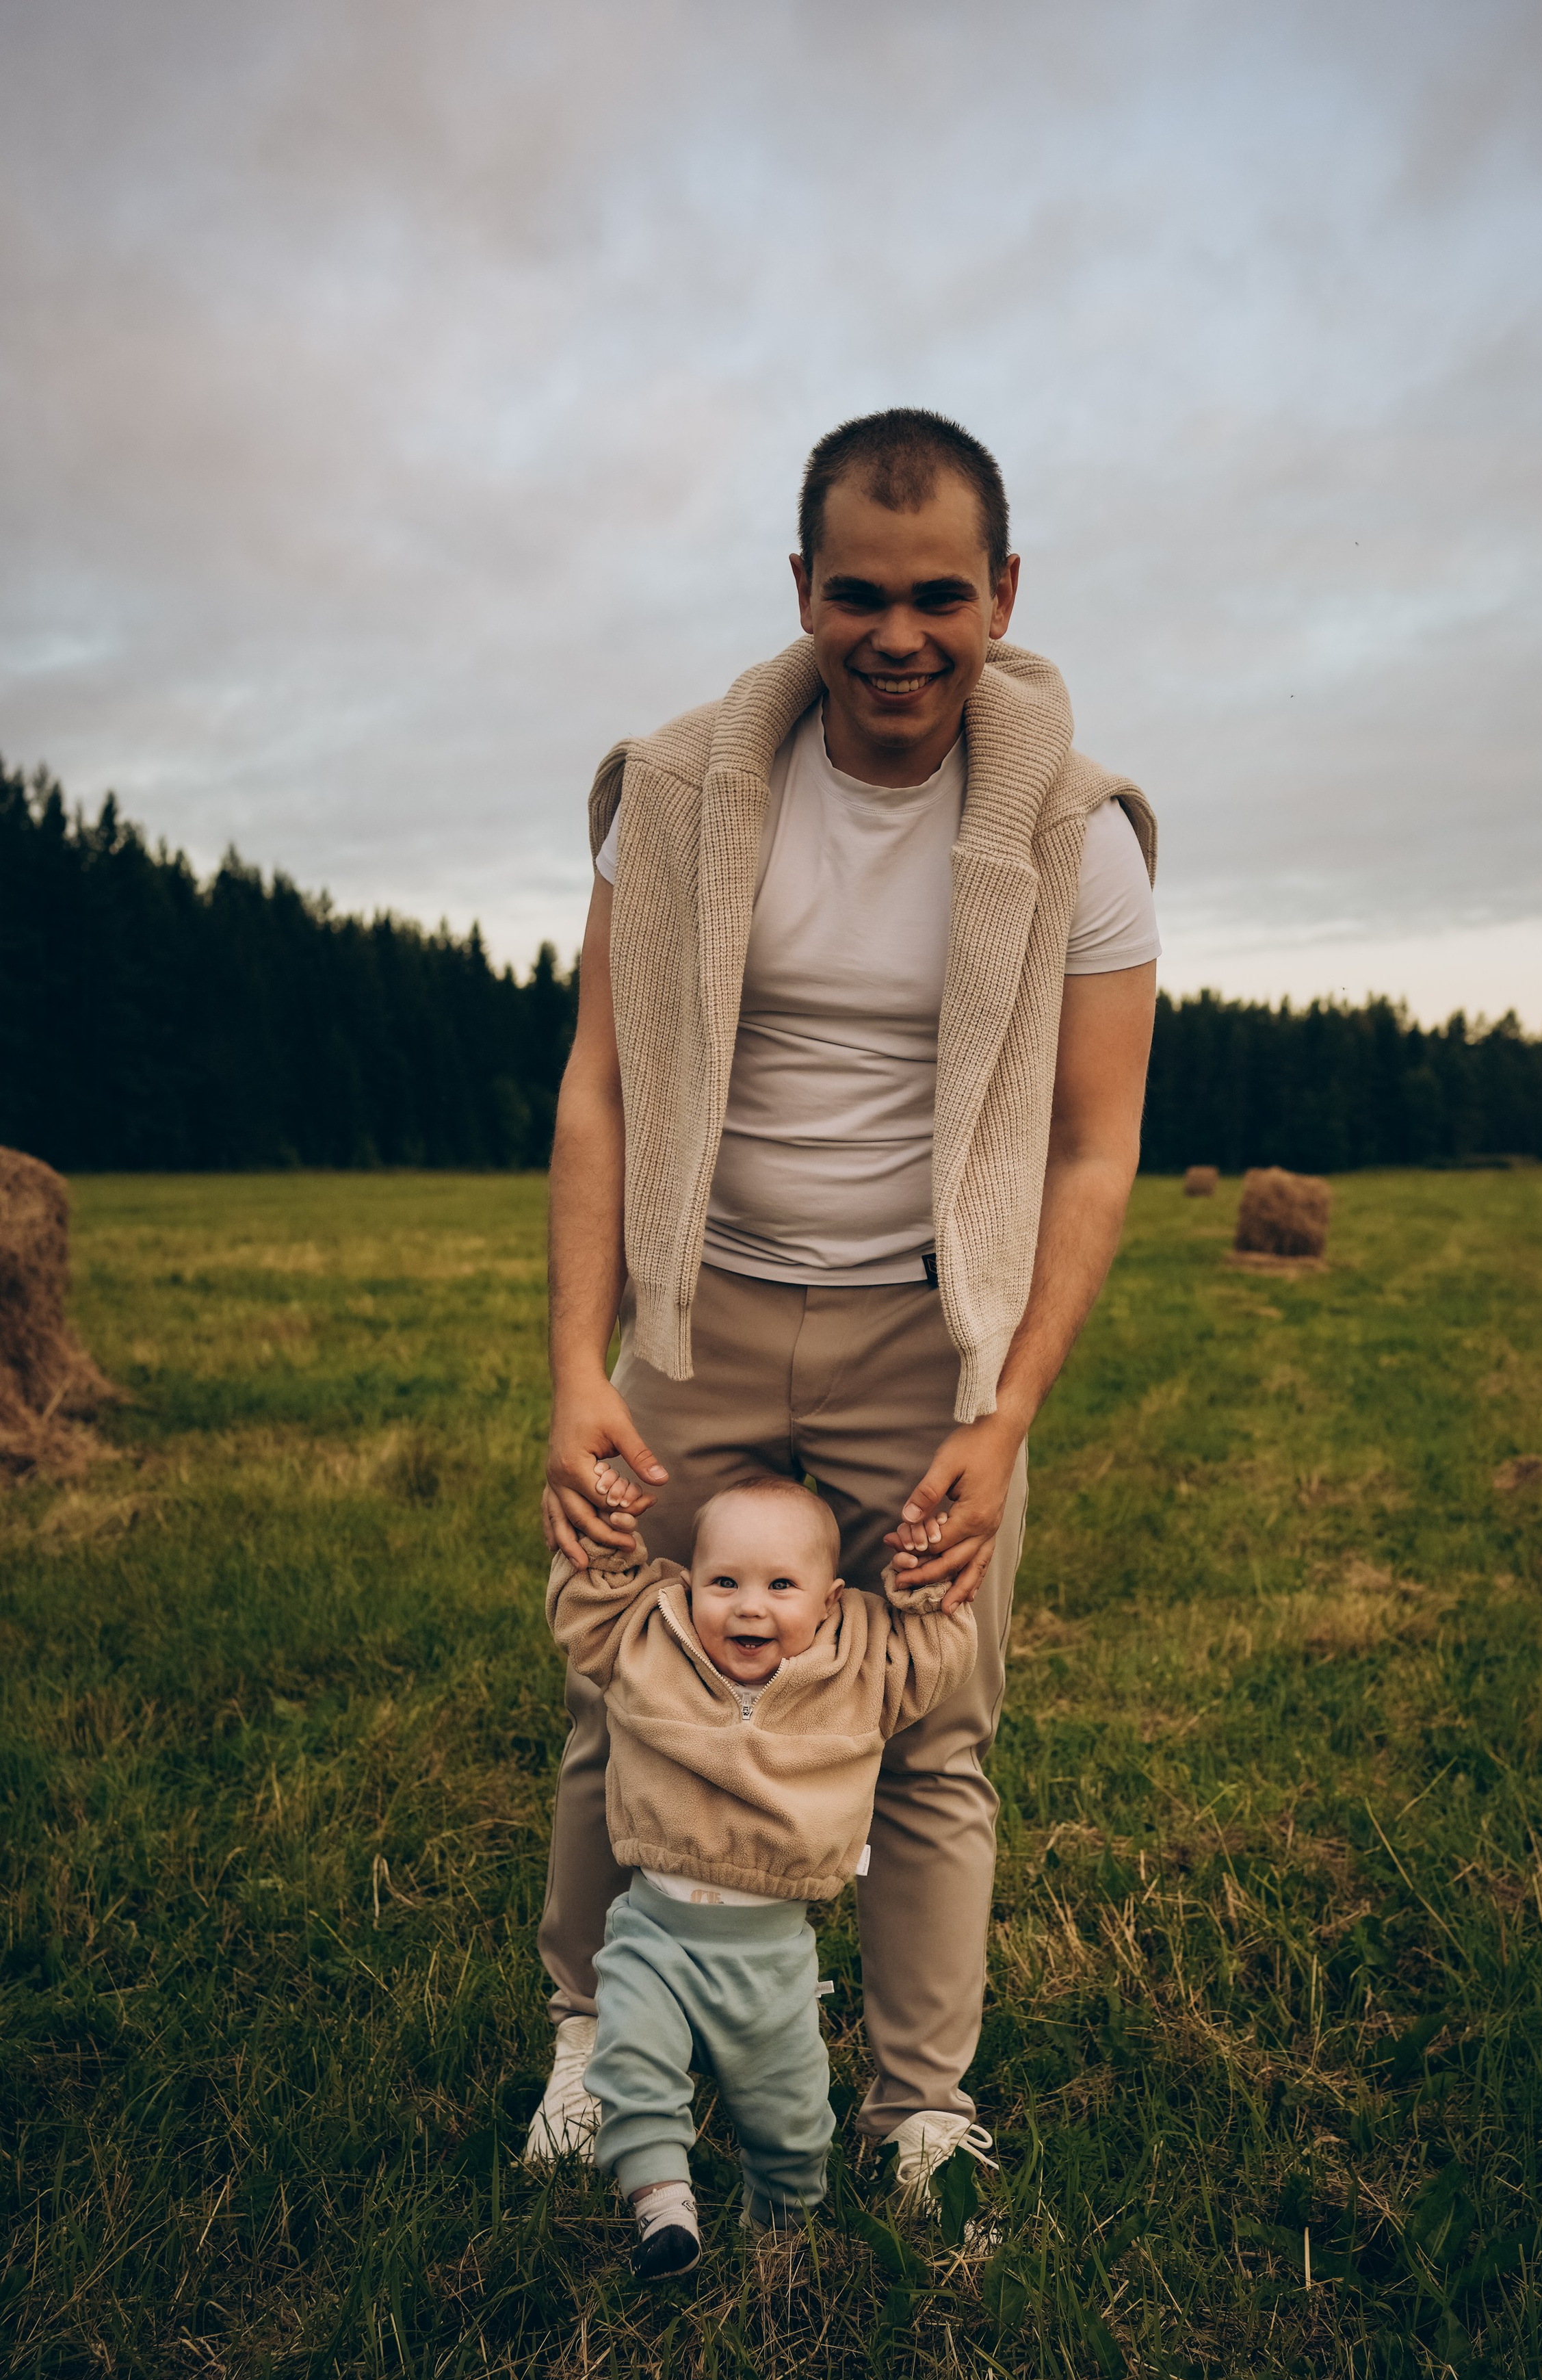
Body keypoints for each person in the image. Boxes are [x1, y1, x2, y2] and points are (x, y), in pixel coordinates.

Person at [526, 406, 1158, 2208]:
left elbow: (1096, 1149)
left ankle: (918, 2107)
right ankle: (585, 2040)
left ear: (1004, 593)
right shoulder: (675, 790)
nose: (900, 636)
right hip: (698, 1314)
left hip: (924, 1337)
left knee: (935, 1720)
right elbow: (600, 1090)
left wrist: (1002, 1415)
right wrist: (582, 1368)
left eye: (940, 595)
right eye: (860, 594)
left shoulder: (1077, 835)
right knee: (625, 1676)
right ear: (802, 588)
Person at [548, 1469, 976, 2277]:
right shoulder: (652, 1641)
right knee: (631, 2064)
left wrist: (924, 1588)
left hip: (773, 1958)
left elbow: (937, 1657)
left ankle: (780, 2234)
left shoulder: (859, 1670)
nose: (749, 1605)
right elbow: (587, 1614)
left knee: (792, 2121)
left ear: (830, 1601)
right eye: (724, 1582)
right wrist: (606, 1544)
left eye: (781, 1585)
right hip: (653, 1933)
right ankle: (664, 2209)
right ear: (688, 1583)